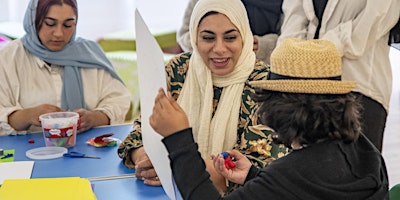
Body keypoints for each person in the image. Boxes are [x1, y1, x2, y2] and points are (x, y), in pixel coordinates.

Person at [150, 38, 389, 200]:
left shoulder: (291, 172)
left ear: (279, 108)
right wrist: (254, 177)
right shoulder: (364, 150)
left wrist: (178, 137)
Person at [118, 0, 288, 193]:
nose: (219, 49)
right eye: (208, 38)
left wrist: (176, 170)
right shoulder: (179, 71)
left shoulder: (264, 84)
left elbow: (261, 162)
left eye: (230, 38)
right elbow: (143, 129)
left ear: (246, 37)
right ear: (194, 38)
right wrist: (145, 159)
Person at [277, 0, 400, 152]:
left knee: (355, 170)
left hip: (358, 88)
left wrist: (316, 50)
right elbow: (292, 24)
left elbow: (371, 23)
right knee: (309, 169)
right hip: (305, 90)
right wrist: (293, 55)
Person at [0, 0, 131, 136]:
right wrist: (28, 116)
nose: (59, 33)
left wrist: (94, 118)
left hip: (90, 148)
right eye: (50, 23)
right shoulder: (8, 58)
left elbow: (118, 100)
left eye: (68, 25)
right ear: (34, 20)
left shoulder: (90, 54)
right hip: (27, 151)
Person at [177, 0, 283, 64]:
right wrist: (207, 43)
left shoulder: (282, 3)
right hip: (211, 70)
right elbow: (185, 34)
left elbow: (293, 39)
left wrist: (262, 45)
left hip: (265, 67)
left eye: (231, 37)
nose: (220, 48)